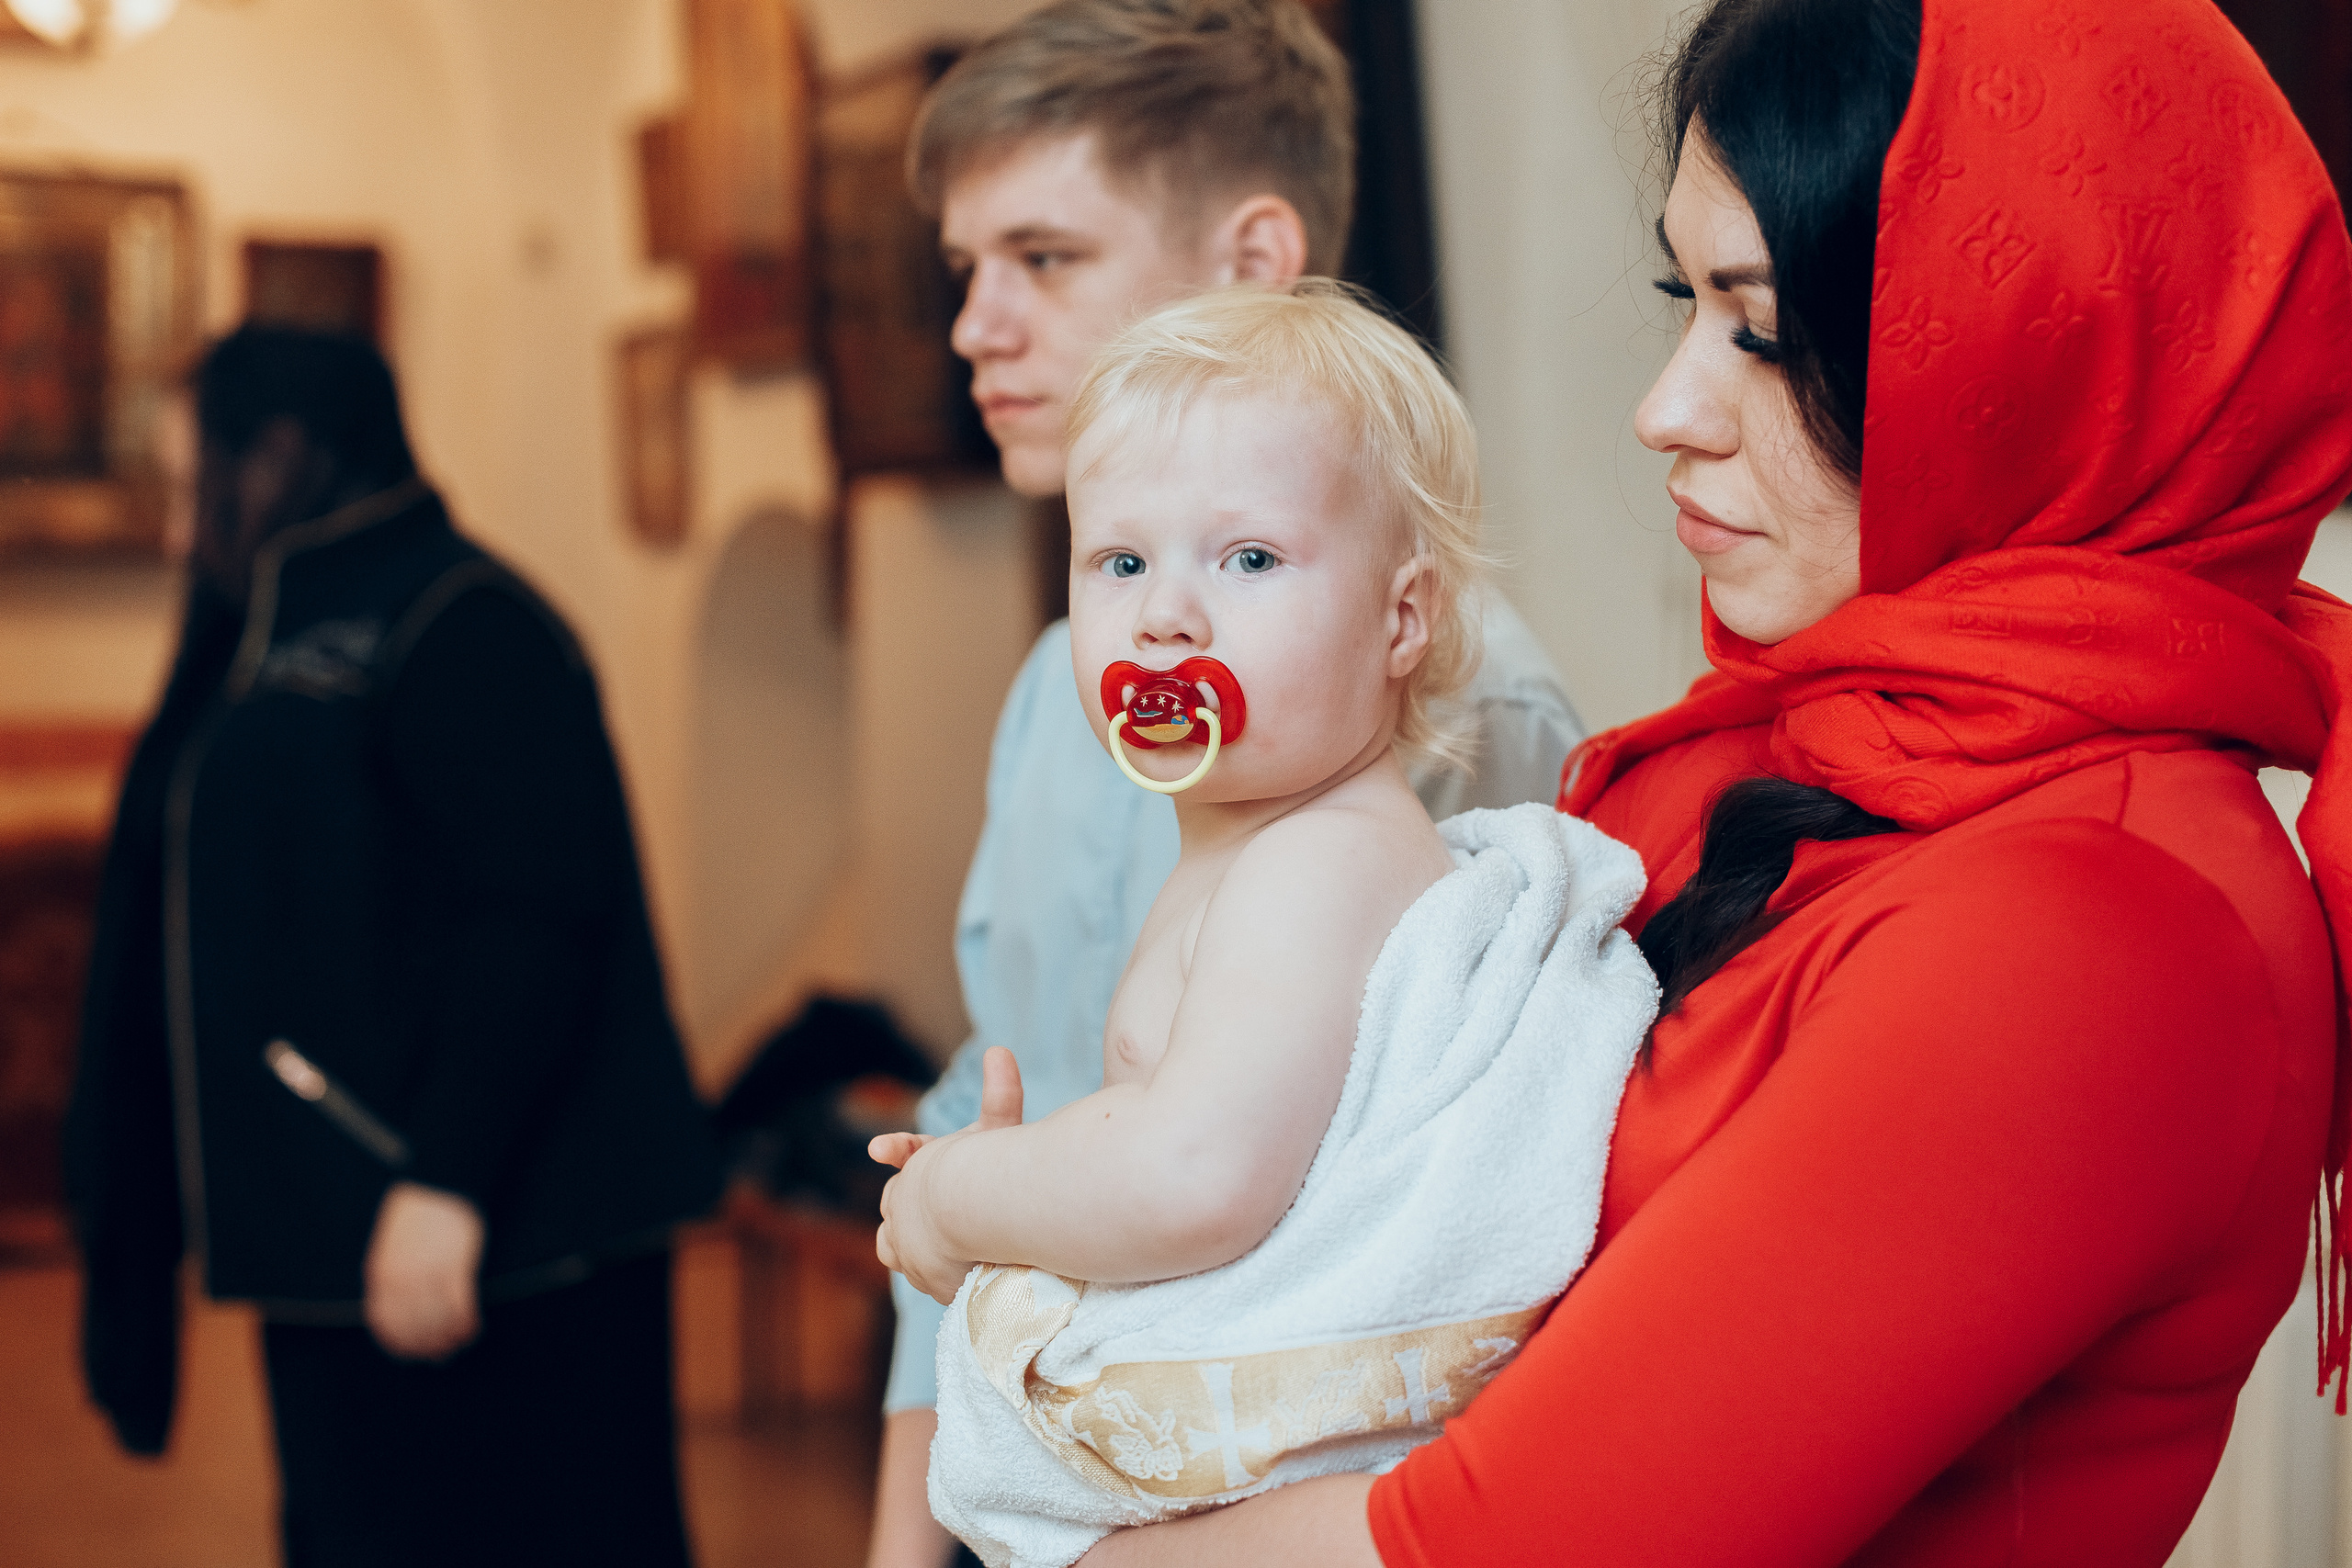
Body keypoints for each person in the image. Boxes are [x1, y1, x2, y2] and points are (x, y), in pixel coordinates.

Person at [1067, 0, 2352, 1562]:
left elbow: (1504, 1545)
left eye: (1761, 325)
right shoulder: (1792, 747)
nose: (1665, 408)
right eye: (1689, 297)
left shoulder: (2109, 928)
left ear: (2037, 346)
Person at [873, 6, 1587, 1562]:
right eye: (963, 271)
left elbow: (1414, 1223)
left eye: (1044, 259)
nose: (976, 328)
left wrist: (976, 1198)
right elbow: (993, 1095)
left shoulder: (1446, 717)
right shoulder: (1063, 693)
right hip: (1070, 1460)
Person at [65, 326, 723, 1568]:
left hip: (492, 1244)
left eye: (185, 484)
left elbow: (536, 919)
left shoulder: (465, 619)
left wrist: (445, 1181)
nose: (171, 529)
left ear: (278, 455)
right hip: (343, 1242)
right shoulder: (251, 625)